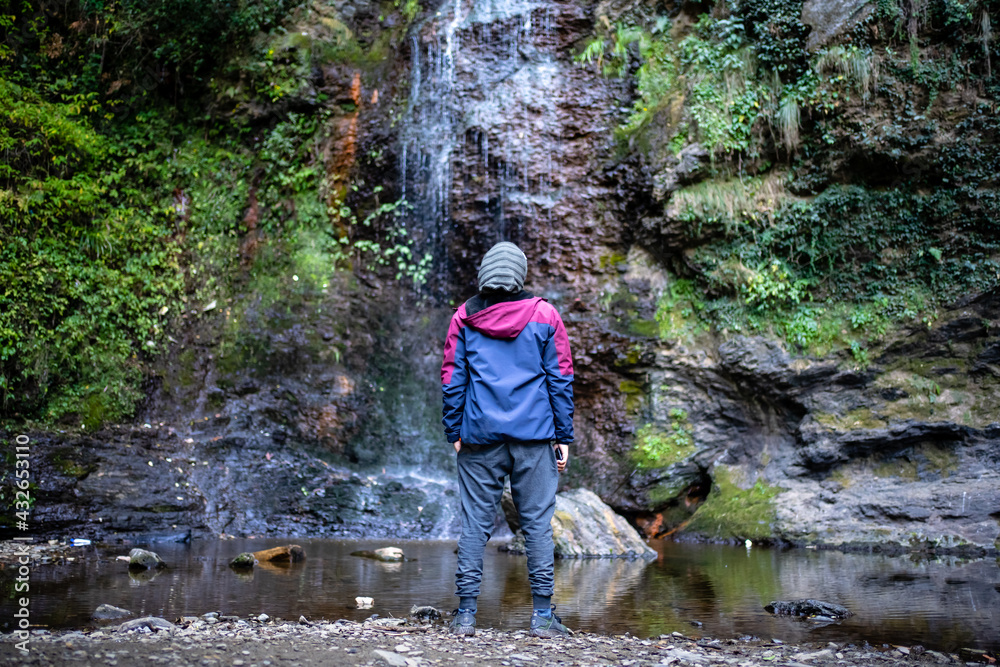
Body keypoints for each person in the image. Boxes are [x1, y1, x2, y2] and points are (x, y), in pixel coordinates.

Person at [440, 241, 574, 638]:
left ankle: (465, 616)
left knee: (474, 525)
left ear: (484, 273)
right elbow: (560, 378)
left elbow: (452, 379)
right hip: (535, 438)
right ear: (520, 273)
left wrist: (454, 431)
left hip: (479, 437)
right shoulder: (546, 316)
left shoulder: (464, 316)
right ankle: (543, 617)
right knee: (536, 525)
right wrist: (562, 434)